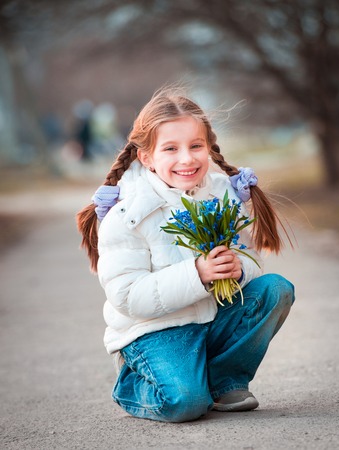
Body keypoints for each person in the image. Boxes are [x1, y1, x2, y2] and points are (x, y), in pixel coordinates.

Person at [76, 88, 295, 423]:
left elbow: (249, 255)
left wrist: (238, 269)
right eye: (170, 149)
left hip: (210, 319)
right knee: (186, 404)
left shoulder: (222, 193)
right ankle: (134, 383)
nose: (187, 159)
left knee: (275, 289)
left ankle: (224, 381)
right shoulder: (128, 212)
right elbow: (128, 296)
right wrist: (198, 274)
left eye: (196, 146)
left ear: (209, 146)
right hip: (155, 329)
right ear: (146, 157)